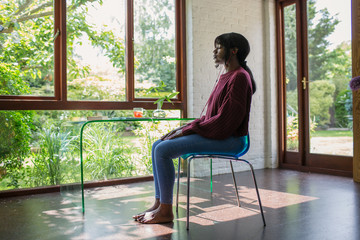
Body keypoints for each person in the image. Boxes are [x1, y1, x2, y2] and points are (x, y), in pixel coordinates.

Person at [133, 32, 257, 224]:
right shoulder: (226, 75)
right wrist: (184, 128)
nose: (214, 51)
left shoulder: (239, 77)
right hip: (221, 135)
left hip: (232, 140)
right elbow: (211, 117)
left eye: (219, 47)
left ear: (233, 51)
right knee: (158, 144)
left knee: (164, 150)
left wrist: (187, 130)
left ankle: (166, 210)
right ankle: (159, 204)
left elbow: (226, 121)